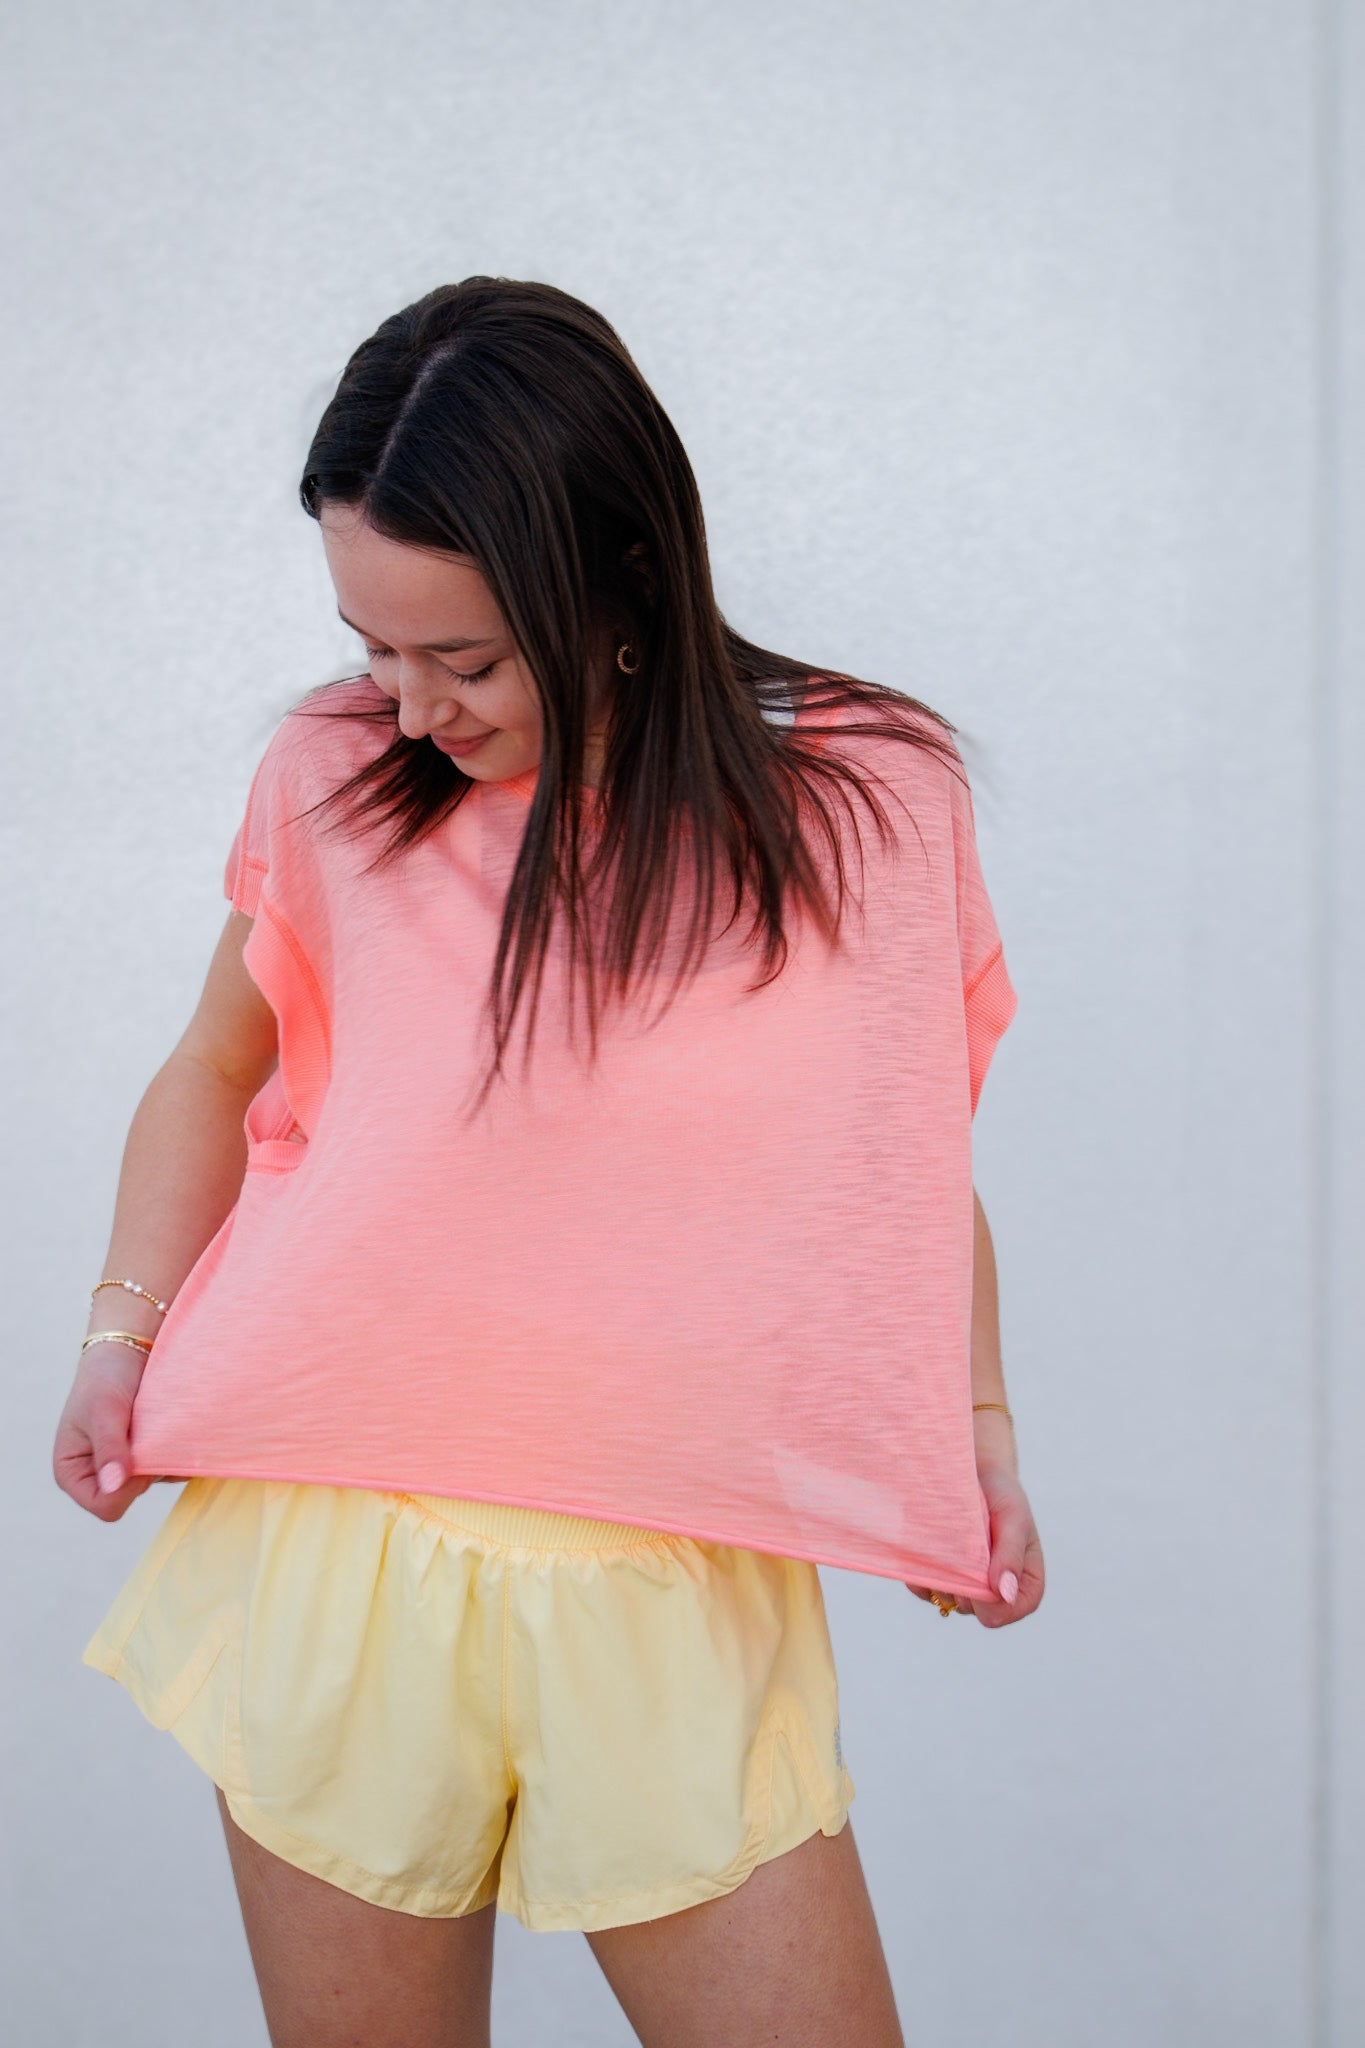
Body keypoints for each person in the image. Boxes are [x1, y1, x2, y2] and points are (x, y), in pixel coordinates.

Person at [55, 276, 1045, 2048]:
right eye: (369, 642)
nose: (406, 703)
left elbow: (895, 1158)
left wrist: (965, 1439)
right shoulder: (336, 775)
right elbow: (216, 1066)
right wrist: (115, 1339)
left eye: (466, 656)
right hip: (334, 1557)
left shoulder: (870, 799)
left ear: (622, 581)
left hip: (670, 1585)